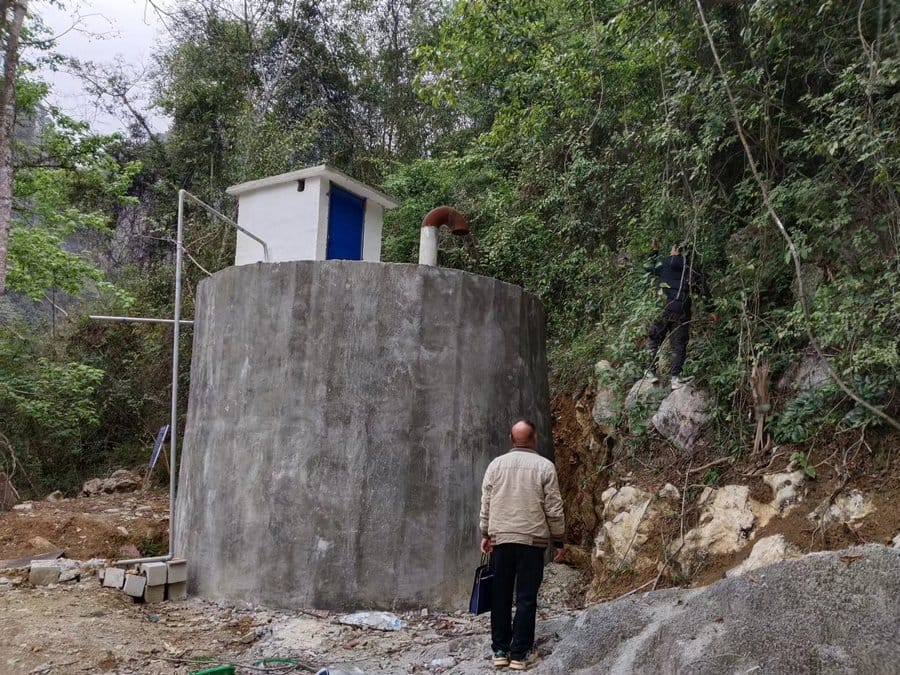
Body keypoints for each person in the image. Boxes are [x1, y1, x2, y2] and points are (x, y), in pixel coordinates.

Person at [479, 419, 565, 671]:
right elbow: (554, 508)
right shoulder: (545, 467)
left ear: (511, 439)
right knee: (526, 598)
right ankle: (520, 654)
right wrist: (559, 539)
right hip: (532, 542)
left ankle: (500, 651)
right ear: (535, 438)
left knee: (500, 596)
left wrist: (485, 532)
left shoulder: (496, 465)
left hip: (501, 540)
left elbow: (486, 503)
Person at [643, 237, 718, 389]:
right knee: (679, 344)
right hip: (681, 311)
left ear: (676, 250)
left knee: (655, 338)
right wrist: (711, 311)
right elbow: (704, 290)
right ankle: (675, 378)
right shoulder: (692, 270)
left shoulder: (664, 263)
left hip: (663, 307)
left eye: (672, 249)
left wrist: (655, 251)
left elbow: (647, 267)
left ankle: (650, 371)